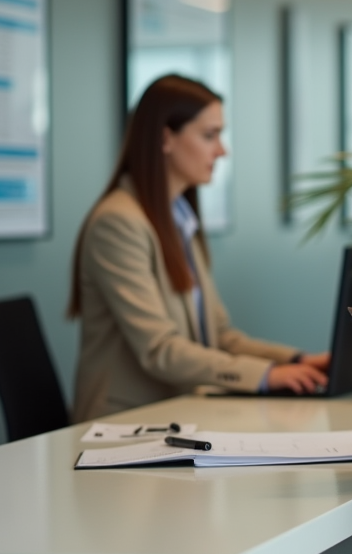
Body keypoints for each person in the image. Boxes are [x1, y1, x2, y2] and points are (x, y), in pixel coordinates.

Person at [68, 74, 329, 422]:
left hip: (177, 414)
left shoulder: (179, 220)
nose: (222, 150)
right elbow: (159, 349)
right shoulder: (119, 223)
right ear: (165, 138)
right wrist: (265, 376)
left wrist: (293, 360)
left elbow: (219, 337)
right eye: (210, 135)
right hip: (126, 423)